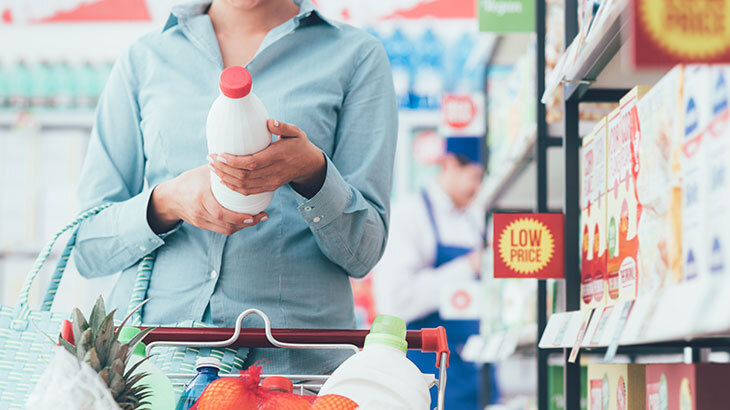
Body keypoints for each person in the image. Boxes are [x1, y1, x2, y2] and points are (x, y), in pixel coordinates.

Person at [73, 0, 397, 376]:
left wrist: (313, 172)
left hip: (292, 374)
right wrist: (165, 203)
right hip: (153, 371)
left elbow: (364, 254)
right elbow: (87, 247)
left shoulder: (356, 56)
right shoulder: (146, 58)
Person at [373, 136, 486, 409]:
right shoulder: (410, 214)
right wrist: (466, 268)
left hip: (473, 373)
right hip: (426, 373)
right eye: (474, 176)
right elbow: (396, 300)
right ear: (449, 164)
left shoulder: (474, 219)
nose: (478, 187)